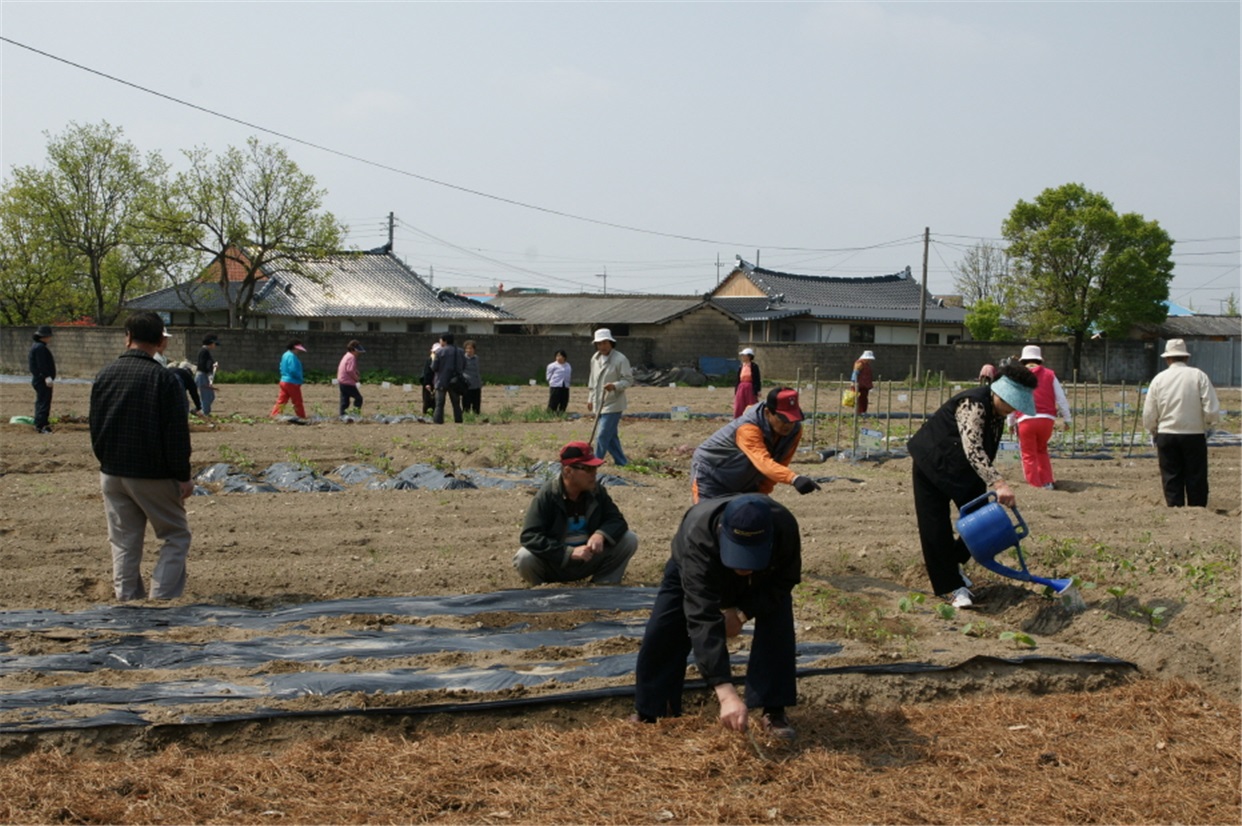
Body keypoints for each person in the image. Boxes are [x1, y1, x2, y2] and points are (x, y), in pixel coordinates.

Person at [633, 493, 800, 740]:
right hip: (693, 566)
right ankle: (652, 710)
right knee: (664, 628)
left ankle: (773, 708)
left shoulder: (785, 527)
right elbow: (701, 615)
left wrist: (742, 614)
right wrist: (725, 691)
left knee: (778, 621)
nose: (744, 567)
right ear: (723, 531)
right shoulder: (697, 537)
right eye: (739, 554)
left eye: (751, 556)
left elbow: (785, 581)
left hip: (765, 578)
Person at [907, 361, 1038, 609]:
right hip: (931, 463)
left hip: (961, 469)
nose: (1012, 409)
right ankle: (950, 587)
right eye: (1011, 403)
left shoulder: (998, 411)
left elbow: (984, 451)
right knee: (936, 527)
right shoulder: (973, 403)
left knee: (984, 521)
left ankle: (951, 563)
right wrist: (998, 483)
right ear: (1000, 393)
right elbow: (974, 448)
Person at [88, 311, 194, 601]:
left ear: (127, 338)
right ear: (162, 342)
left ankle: (128, 601)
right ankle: (162, 600)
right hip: (152, 474)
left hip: (112, 472)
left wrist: (105, 461)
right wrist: (183, 476)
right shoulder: (165, 379)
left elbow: (95, 425)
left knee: (123, 542)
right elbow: (176, 434)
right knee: (175, 535)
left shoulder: (105, 375)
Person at [514, 441, 640, 585]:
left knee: (629, 539)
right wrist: (568, 552)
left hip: (588, 560)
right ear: (568, 471)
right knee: (524, 557)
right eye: (588, 469)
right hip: (555, 563)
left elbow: (617, 520)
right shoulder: (548, 495)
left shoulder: (597, 491)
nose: (594, 474)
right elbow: (530, 536)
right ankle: (543, 590)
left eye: (595, 468)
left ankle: (603, 585)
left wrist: (601, 534)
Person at [691, 387, 820, 502]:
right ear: (768, 413)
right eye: (783, 419)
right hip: (713, 476)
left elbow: (781, 461)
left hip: (745, 479)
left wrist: (762, 493)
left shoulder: (795, 430)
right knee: (709, 520)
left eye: (793, 419)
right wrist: (793, 478)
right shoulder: (748, 428)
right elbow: (762, 461)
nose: (788, 425)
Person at [1142, 338, 1221, 507]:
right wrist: (1209, 424)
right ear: (1186, 358)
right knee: (1196, 475)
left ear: (1167, 359)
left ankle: (1175, 509)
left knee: (1171, 475)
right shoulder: (1199, 376)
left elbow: (1149, 412)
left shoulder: (1159, 379)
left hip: (1167, 434)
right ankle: (1197, 508)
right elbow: (1211, 408)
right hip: (1194, 434)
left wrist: (1152, 429)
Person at [1012, 345, 1072, 490]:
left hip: (1025, 419)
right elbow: (1061, 398)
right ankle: (1047, 482)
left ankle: (1034, 484)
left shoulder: (1018, 376)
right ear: (1039, 360)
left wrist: (1010, 421)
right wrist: (1067, 418)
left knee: (1028, 453)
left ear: (1023, 360)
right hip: (1046, 420)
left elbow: (1012, 399)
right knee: (1041, 450)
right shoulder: (1050, 375)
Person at [587, 328, 633, 465]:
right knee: (610, 436)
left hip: (613, 402)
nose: (602, 346)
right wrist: (590, 398)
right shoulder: (595, 359)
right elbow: (592, 381)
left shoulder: (620, 359)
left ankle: (595, 461)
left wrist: (614, 385)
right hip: (598, 402)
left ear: (611, 343)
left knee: (602, 434)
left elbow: (628, 380)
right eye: (599, 344)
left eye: (605, 343)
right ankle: (622, 462)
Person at [28, 324, 56, 434]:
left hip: (39, 379)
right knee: (44, 402)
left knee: (41, 401)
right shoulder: (40, 348)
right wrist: (46, 376)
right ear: (44, 336)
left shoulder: (37, 346)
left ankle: (40, 423)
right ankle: (42, 425)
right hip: (42, 380)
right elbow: (42, 364)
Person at [431, 333, 464, 424]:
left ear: (444, 341)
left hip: (441, 381)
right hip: (455, 381)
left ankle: (438, 420)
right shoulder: (460, 351)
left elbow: (434, 367)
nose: (440, 342)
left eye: (440, 340)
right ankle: (458, 420)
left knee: (439, 403)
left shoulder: (439, 352)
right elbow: (463, 365)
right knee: (456, 403)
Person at [271, 340, 308, 419]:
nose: (299, 351)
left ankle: (274, 414)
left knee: (282, 400)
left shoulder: (285, 355)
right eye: (298, 349)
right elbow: (293, 370)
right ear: (294, 348)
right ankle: (301, 416)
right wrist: (300, 378)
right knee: (297, 401)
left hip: (284, 380)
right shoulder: (292, 356)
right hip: (292, 382)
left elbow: (281, 367)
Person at [337, 339, 365, 417]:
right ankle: (355, 414)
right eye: (357, 351)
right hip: (347, 382)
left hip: (342, 381)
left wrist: (356, 371)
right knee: (359, 398)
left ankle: (342, 415)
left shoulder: (346, 355)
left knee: (345, 400)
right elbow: (350, 370)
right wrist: (356, 378)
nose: (358, 353)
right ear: (353, 350)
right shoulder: (352, 357)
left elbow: (348, 368)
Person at [733, 348, 761, 418]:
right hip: (741, 387)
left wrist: (758, 390)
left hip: (750, 387)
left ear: (749, 356)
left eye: (744, 355)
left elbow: (757, 379)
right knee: (739, 404)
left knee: (751, 403)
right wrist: (736, 390)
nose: (742, 357)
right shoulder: (741, 366)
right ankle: (738, 418)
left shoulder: (754, 366)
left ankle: (752, 418)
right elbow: (738, 379)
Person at [195, 335, 220, 416]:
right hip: (202, 375)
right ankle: (204, 412)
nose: (215, 345)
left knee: (210, 396)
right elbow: (204, 365)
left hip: (203, 375)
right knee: (206, 396)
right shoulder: (204, 352)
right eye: (214, 343)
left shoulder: (205, 351)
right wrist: (212, 366)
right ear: (211, 343)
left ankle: (199, 410)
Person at [462, 339, 483, 415]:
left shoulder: (476, 358)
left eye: (470, 348)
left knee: (476, 404)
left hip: (476, 384)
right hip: (467, 385)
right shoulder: (463, 359)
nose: (469, 350)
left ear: (474, 349)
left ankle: (476, 417)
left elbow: (477, 371)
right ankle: (466, 418)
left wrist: (480, 382)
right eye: (467, 348)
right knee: (466, 404)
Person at [420, 343, 439, 416]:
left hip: (436, 383)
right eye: (435, 351)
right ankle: (426, 414)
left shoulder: (440, 360)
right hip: (429, 383)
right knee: (427, 399)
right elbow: (427, 373)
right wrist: (427, 383)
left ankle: (434, 414)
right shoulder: (430, 359)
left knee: (435, 400)